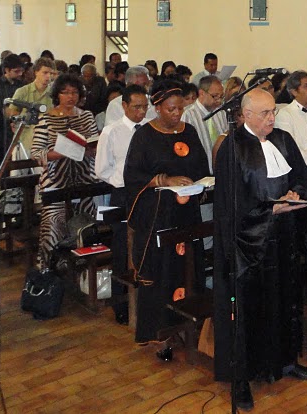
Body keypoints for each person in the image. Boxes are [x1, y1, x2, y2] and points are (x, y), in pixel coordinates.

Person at [213, 89, 307, 411]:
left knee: (285, 297)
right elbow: (231, 203)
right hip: (249, 243)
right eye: (265, 113)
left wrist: (296, 194)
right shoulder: (232, 147)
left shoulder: (283, 140)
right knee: (248, 311)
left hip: (284, 237)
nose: (272, 118)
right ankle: (242, 379)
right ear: (245, 115)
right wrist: (270, 209)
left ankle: (285, 360)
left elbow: (302, 177)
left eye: (274, 112)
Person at [123, 81, 210, 352]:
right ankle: (160, 331)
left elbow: (201, 166)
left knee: (188, 268)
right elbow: (132, 175)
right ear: (157, 107)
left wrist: (197, 182)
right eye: (171, 109)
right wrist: (164, 180)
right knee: (163, 271)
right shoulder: (144, 136)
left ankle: (189, 324)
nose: (177, 114)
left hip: (186, 212)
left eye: (180, 109)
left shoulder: (190, 131)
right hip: (158, 216)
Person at [94, 84, 151, 325]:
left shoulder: (150, 129)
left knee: (144, 245)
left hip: (146, 193)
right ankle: (120, 303)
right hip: (122, 193)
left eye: (145, 107)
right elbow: (101, 169)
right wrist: (120, 181)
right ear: (124, 106)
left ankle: (145, 298)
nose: (141, 112)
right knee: (120, 247)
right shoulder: (112, 131)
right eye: (136, 107)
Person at [31, 74, 100, 269]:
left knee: (85, 226)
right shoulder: (46, 118)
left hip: (84, 178)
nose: (70, 97)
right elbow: (36, 152)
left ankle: (83, 271)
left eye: (74, 92)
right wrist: (61, 152)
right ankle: (49, 269)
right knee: (53, 227)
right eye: (65, 92)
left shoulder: (86, 116)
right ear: (57, 95)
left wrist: (91, 149)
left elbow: (94, 144)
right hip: (56, 180)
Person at [181, 75, 228, 172]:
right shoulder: (188, 115)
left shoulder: (221, 113)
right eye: (215, 96)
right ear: (201, 93)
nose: (219, 100)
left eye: (221, 96)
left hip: (221, 169)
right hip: (199, 171)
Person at [7, 58, 55, 151]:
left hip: (46, 141)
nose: (48, 76)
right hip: (25, 140)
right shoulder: (22, 91)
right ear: (36, 72)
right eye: (45, 73)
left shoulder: (54, 94)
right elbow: (11, 113)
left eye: (51, 73)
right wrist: (18, 119)